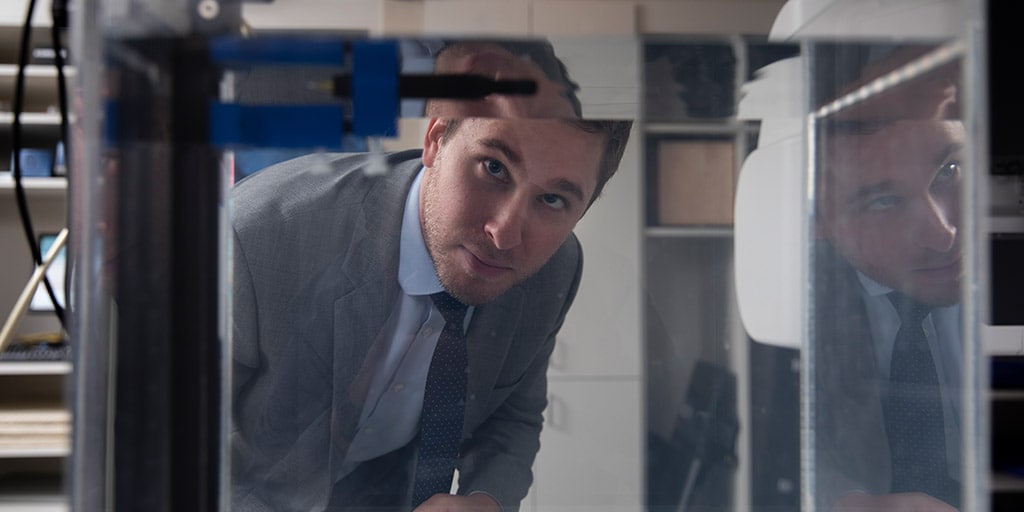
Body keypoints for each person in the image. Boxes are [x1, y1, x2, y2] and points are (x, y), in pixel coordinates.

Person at [228, 37, 632, 509]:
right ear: (436, 139)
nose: (504, 233)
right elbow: (179, 438)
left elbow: (513, 416)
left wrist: (487, 499)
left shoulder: (556, 270)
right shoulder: (258, 233)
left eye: (553, 200)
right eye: (493, 167)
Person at [810, 44, 963, 512]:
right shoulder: (792, 305)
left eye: (949, 171)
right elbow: (772, 452)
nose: (945, 234)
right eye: (882, 201)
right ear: (818, 223)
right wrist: (844, 502)